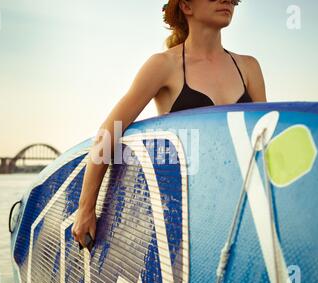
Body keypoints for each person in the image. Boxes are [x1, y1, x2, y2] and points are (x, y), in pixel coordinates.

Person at [72, 0, 267, 249]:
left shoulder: (249, 67)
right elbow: (110, 131)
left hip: (240, 210)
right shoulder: (164, 65)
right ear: (186, 6)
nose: (227, 0)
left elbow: (263, 140)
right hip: (185, 218)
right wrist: (86, 208)